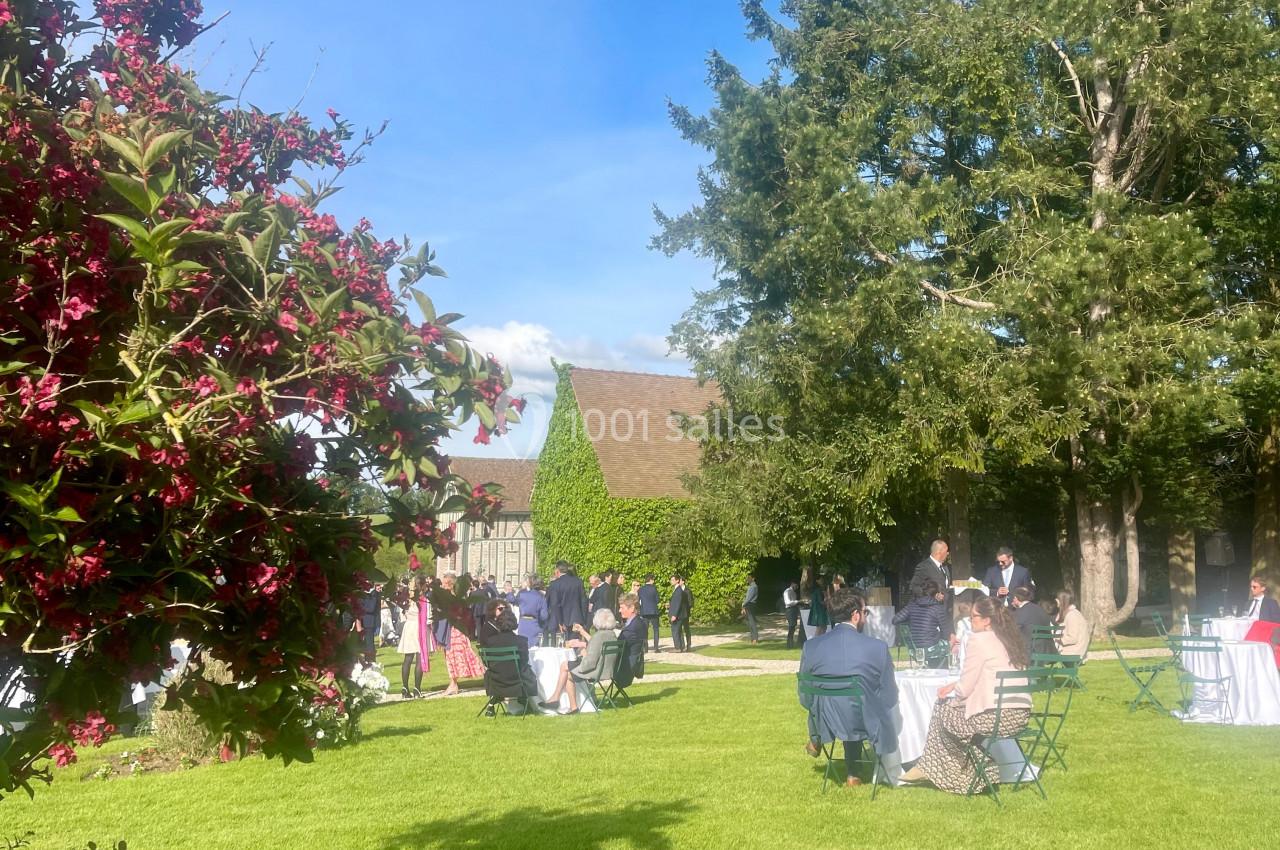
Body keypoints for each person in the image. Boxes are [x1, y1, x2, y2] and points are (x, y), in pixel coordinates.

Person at [899, 595, 1032, 792]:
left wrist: (956, 693)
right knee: (948, 713)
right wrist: (955, 685)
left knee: (941, 708)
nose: (970, 621)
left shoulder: (978, 640)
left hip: (995, 718)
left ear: (987, 620)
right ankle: (931, 767)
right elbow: (988, 676)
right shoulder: (1008, 639)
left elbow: (966, 687)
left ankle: (933, 767)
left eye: (973, 617)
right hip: (1019, 716)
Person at [798, 589, 899, 787]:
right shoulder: (877, 648)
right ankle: (853, 774)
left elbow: (805, 696)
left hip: (826, 719)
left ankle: (816, 738)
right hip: (864, 721)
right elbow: (890, 696)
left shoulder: (811, 647)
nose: (865, 617)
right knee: (858, 705)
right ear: (855, 615)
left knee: (843, 703)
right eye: (865, 612)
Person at [541, 609, 618, 714]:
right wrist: (583, 632)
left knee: (566, 669)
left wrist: (581, 660)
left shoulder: (598, 636)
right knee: (567, 667)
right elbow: (596, 645)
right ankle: (556, 699)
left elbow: (590, 662)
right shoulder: (611, 635)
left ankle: (569, 705)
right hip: (607, 669)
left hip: (596, 671)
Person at [477, 602, 542, 714]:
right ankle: (525, 700)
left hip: (496, 680)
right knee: (528, 669)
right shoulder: (521, 641)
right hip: (516, 680)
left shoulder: (490, 642)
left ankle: (494, 701)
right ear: (514, 623)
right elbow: (523, 661)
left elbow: (487, 663)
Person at [431, 572, 487, 695]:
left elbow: (458, 614)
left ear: (450, 584)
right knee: (451, 656)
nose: (443, 586)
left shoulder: (455, 598)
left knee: (461, 654)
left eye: (445, 583)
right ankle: (453, 683)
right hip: (449, 629)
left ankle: (485, 675)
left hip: (454, 630)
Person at [892, 580, 949, 666]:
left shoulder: (912, 605)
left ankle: (932, 668)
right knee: (952, 644)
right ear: (936, 594)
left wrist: (912, 621)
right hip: (930, 649)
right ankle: (943, 670)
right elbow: (946, 634)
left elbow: (895, 620)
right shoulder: (937, 608)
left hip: (914, 650)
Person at [397, 575, 432, 698]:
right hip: (420, 627)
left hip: (409, 627)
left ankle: (404, 688)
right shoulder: (423, 600)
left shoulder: (406, 599)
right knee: (419, 658)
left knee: (407, 659)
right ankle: (417, 688)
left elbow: (401, 616)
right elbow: (429, 618)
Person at [548, 561, 589, 642]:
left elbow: (555, 604)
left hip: (563, 618)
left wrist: (560, 621)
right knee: (576, 645)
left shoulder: (555, 584)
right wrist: (583, 619)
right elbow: (584, 601)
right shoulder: (578, 582)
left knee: (564, 645)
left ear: (557, 570)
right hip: (577, 617)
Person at [1010, 586, 1054, 657]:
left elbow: (1013, 630)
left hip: (1030, 652)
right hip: (1047, 650)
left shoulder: (1019, 612)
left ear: (1016, 598)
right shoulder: (1040, 609)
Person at [615, 592, 647, 686]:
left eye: (622, 608)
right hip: (633, 665)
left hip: (624, 669)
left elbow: (618, 645)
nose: (620, 611)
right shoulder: (640, 623)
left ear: (632, 608)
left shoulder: (632, 628)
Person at [909, 540, 952, 609]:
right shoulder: (924, 566)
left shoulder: (945, 567)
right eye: (946, 551)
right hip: (930, 611)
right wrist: (933, 595)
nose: (948, 553)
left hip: (944, 610)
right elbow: (913, 587)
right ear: (939, 552)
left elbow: (945, 587)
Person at [1054, 590, 1090, 661]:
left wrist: (1056, 639)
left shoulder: (1072, 615)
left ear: (1063, 601)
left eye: (1058, 599)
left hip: (1073, 653)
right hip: (1072, 651)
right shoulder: (1070, 614)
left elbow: (1073, 638)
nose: (1056, 600)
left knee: (1037, 654)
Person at [514, 574, 547, 648]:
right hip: (535, 624)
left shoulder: (521, 594)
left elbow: (513, 600)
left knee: (523, 647)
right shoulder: (540, 596)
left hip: (523, 624)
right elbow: (544, 616)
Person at [639, 574, 661, 652]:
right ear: (651, 580)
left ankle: (645, 648)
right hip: (653, 611)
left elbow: (639, 600)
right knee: (655, 629)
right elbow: (658, 600)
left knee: (645, 630)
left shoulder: (641, 589)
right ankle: (656, 648)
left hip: (644, 611)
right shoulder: (654, 588)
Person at [668, 574, 689, 652]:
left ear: (677, 580)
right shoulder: (677, 590)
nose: (671, 581)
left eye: (673, 580)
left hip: (677, 614)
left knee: (675, 631)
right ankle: (682, 646)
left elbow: (678, 603)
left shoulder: (678, 590)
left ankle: (677, 647)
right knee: (679, 631)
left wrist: (674, 615)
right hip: (679, 614)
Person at [783, 580, 806, 648]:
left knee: (793, 627)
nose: (797, 587)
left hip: (794, 609)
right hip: (790, 610)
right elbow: (788, 602)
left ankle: (791, 643)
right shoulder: (787, 591)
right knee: (791, 626)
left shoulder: (794, 592)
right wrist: (798, 601)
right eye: (796, 585)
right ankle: (789, 643)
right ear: (792, 584)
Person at [742, 574, 760, 644]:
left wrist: (743, 604)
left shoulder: (753, 586)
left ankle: (755, 639)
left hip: (750, 605)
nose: (748, 579)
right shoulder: (751, 586)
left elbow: (749, 598)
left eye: (749, 578)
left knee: (752, 622)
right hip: (748, 605)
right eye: (747, 578)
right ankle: (753, 638)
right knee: (748, 622)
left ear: (753, 578)